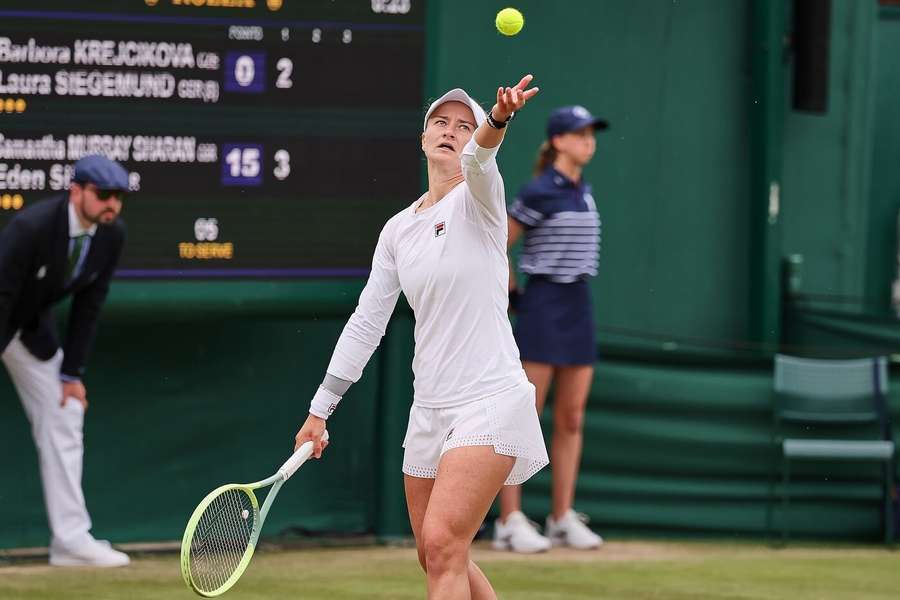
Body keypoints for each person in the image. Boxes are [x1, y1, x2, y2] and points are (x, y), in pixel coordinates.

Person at [293, 75, 547, 599]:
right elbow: (367, 320)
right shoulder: (397, 230)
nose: (451, 131)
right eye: (440, 122)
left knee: (444, 544)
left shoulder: (481, 200)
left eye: (464, 124)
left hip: (490, 399)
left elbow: (480, 160)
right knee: (434, 554)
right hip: (429, 409)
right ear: (423, 136)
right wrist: (321, 409)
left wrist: (497, 121)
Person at [0, 155, 129, 567]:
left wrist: (72, 373)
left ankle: (70, 542)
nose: (112, 204)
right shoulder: (30, 228)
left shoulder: (111, 236)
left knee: (67, 409)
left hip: (31, 332)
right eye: (103, 195)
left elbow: (89, 305)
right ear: (77, 192)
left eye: (118, 197)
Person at [493, 105, 608, 553]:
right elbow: (497, 242)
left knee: (571, 418)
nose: (589, 141)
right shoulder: (538, 191)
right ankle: (509, 520)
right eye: (580, 134)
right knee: (525, 418)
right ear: (558, 141)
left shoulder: (585, 191)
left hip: (579, 304)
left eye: (591, 134)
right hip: (542, 305)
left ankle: (561, 517)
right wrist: (514, 295)